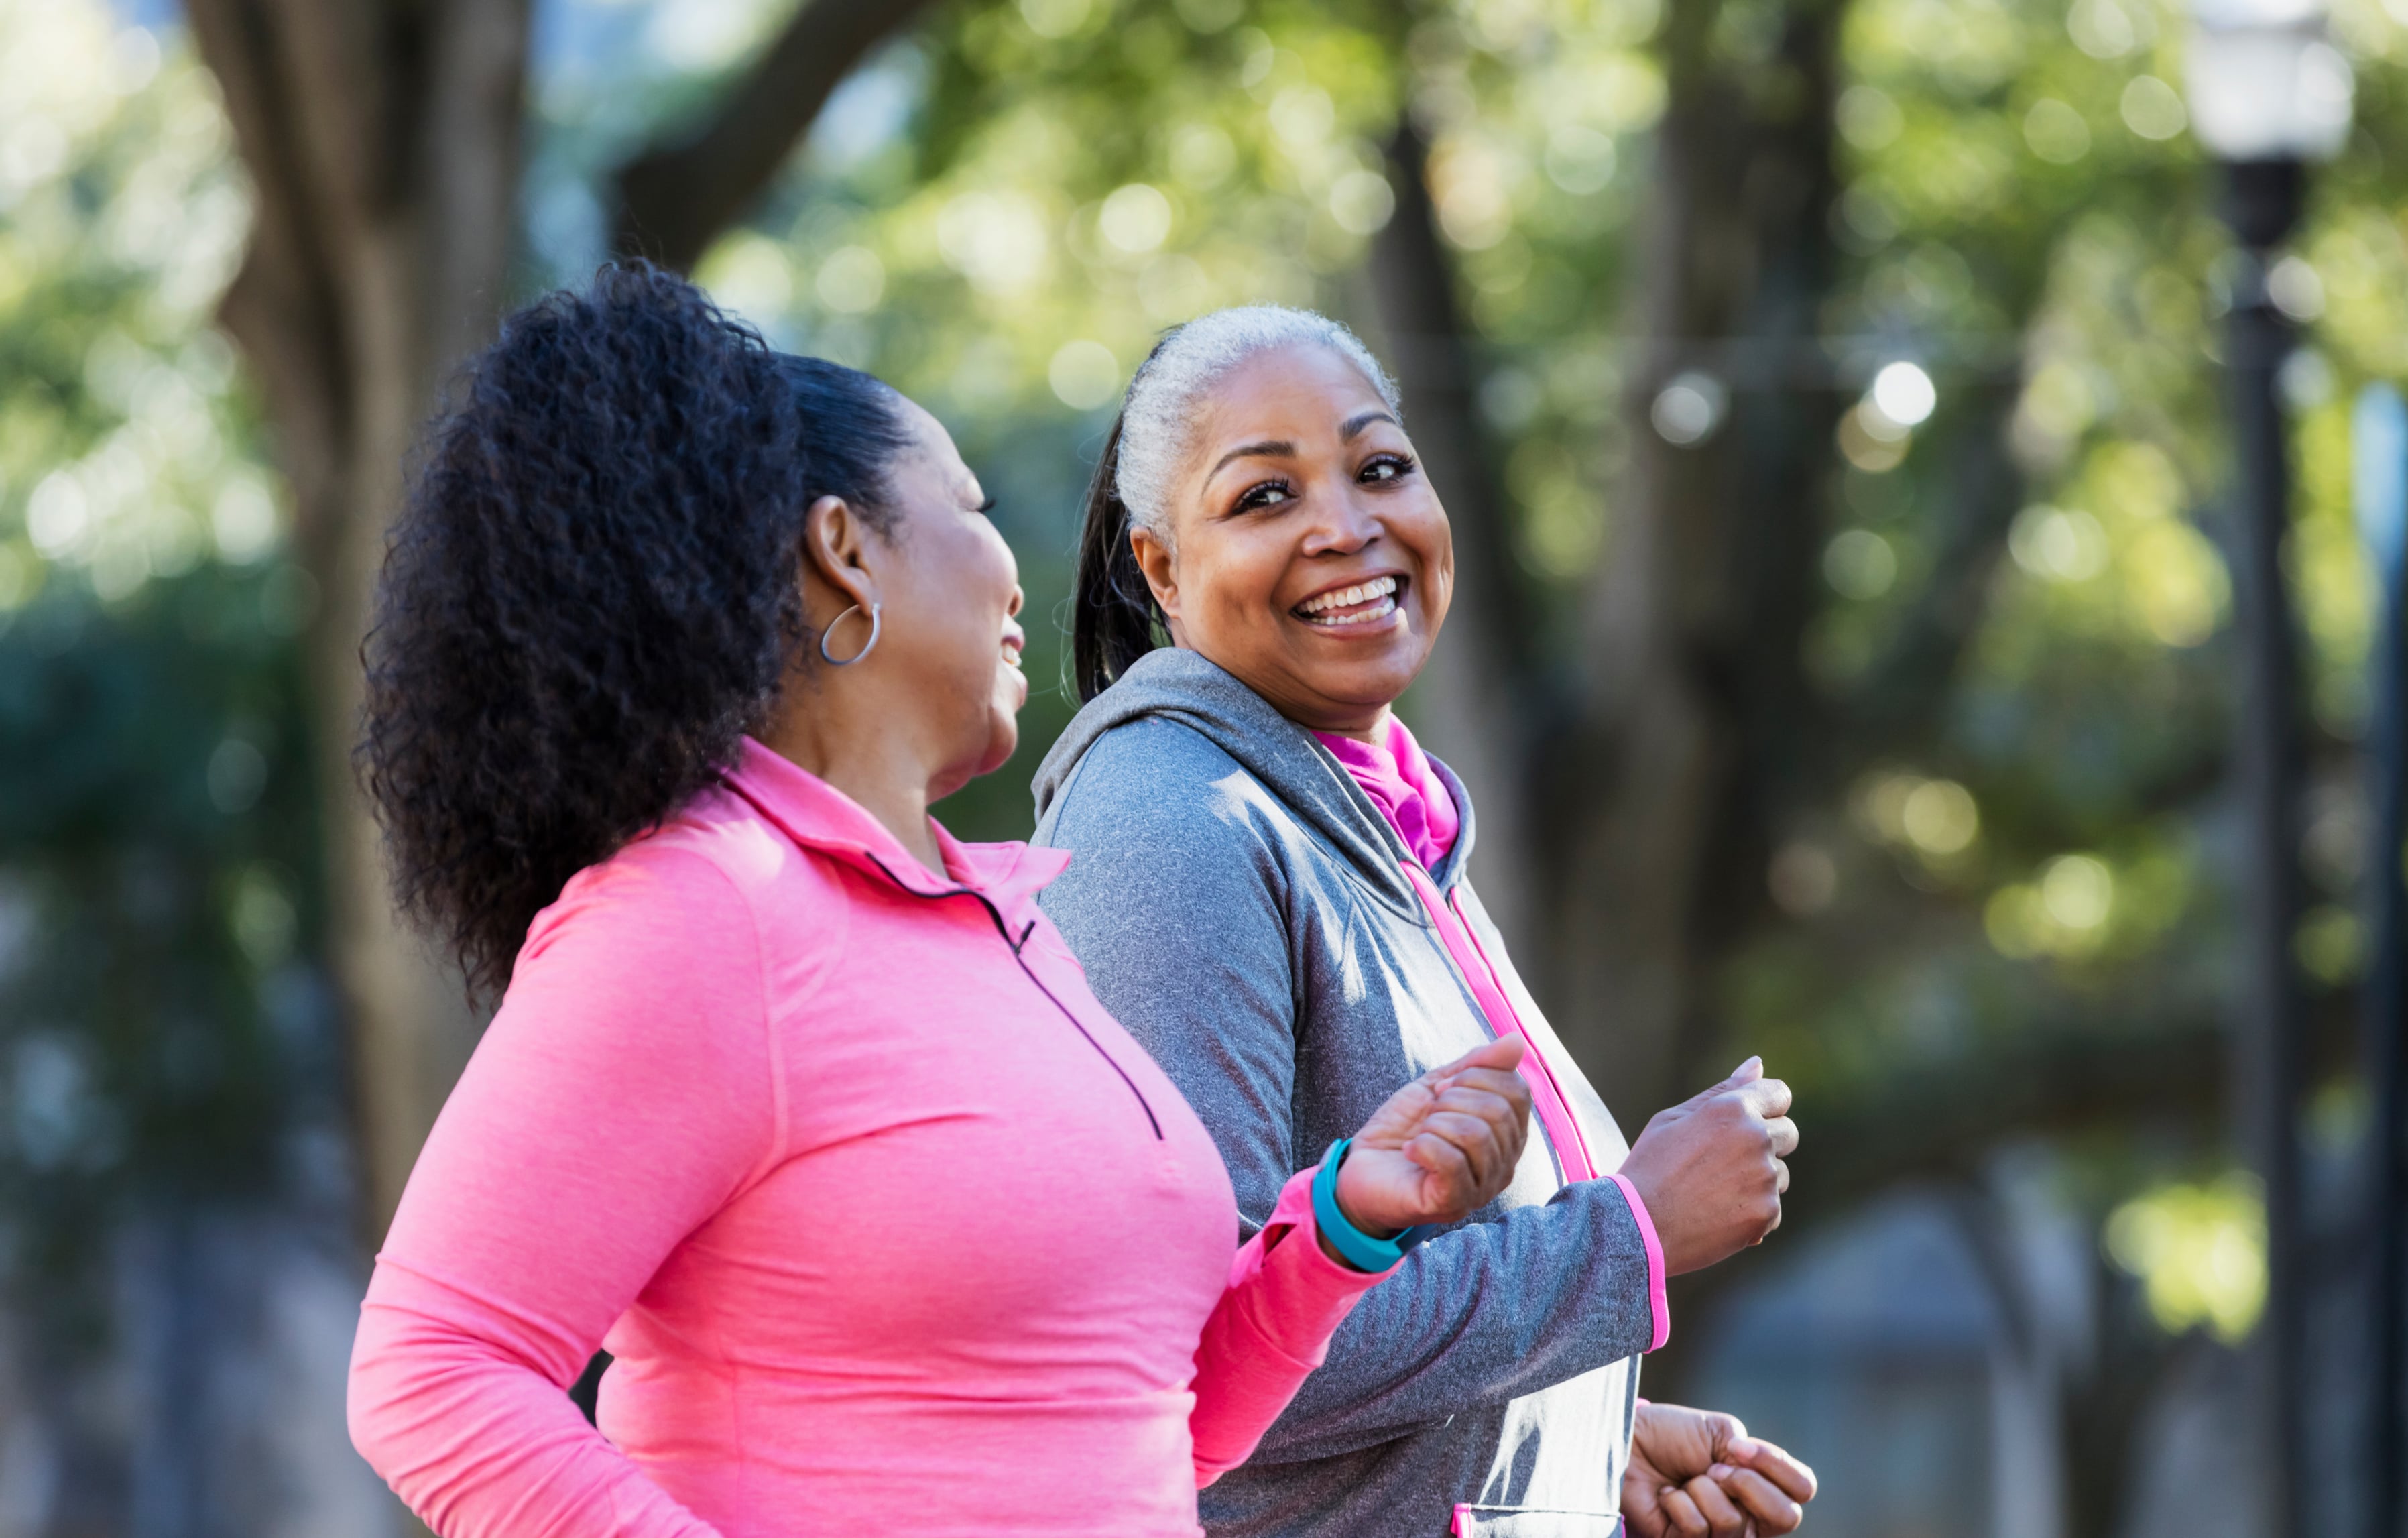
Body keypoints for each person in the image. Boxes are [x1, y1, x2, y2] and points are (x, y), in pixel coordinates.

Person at [341, 266, 1539, 1538]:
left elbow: (1151, 1422)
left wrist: (1343, 1222)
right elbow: (432, 1372)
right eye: (969, 506)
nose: (1019, 578)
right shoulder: (703, 907)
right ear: (844, 551)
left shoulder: (1003, 926)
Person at [1032, 306, 1820, 1538]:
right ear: (1162, 569)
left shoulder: (1378, 813)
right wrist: (1630, 1236)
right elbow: (1193, 1352)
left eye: (1380, 466)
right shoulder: (1174, 819)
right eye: (1263, 498)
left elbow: (1375, 1324)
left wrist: (1568, 1439)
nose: (1347, 527)